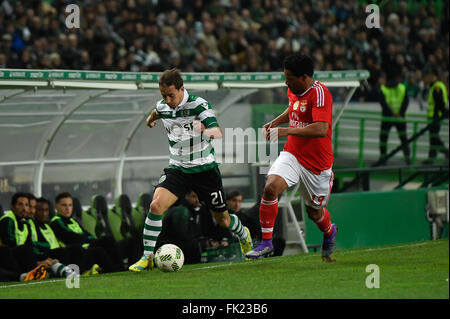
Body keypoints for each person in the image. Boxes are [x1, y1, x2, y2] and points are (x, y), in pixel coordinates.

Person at [129, 68, 253, 272]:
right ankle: (147, 257)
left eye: (171, 95)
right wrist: (150, 120)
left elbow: (218, 132)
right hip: (178, 169)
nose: (167, 100)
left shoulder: (198, 104)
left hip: (205, 170)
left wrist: (204, 129)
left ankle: (243, 234)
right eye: (163, 96)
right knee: (155, 206)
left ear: (181, 89)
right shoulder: (163, 106)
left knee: (223, 220)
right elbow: (156, 112)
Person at [245, 53, 338, 262]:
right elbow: (293, 109)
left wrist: (286, 131)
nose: (286, 82)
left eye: (289, 78)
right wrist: (275, 122)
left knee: (314, 213)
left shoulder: (320, 94)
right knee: (271, 187)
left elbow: (321, 129)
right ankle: (266, 243)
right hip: (293, 154)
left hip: (317, 165)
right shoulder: (293, 90)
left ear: (304, 77)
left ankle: (329, 230)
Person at [50, 192, 139, 272]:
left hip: (90, 245)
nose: (67, 208)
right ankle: (121, 269)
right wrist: (89, 239)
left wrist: (89, 239)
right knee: (107, 240)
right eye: (64, 205)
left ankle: (134, 268)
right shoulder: (56, 222)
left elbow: (87, 234)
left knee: (132, 241)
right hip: (82, 252)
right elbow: (71, 238)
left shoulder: (74, 221)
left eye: (70, 205)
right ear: (56, 206)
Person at [0, 192, 76, 279]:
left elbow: (31, 245)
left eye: (26, 205)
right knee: (24, 250)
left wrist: (44, 258)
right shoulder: (7, 220)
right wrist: (36, 260)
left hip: (22, 253)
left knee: (40, 252)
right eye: (20, 204)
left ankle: (54, 267)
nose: (24, 208)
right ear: (12, 207)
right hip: (10, 254)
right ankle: (37, 272)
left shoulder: (25, 223)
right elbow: (9, 244)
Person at [378, 72, 411, 164]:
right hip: (400, 118)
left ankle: (383, 159)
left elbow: (383, 104)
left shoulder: (383, 89)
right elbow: (406, 102)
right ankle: (408, 159)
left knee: (383, 138)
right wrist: (400, 113)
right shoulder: (402, 88)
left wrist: (391, 114)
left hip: (387, 118)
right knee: (403, 138)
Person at [424, 70, 449, 163]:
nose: (428, 78)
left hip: (435, 117)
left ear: (434, 76)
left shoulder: (437, 86)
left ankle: (446, 152)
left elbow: (439, 102)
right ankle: (431, 158)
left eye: (429, 76)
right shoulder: (437, 86)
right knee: (433, 138)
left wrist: (444, 113)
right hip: (435, 116)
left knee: (434, 138)